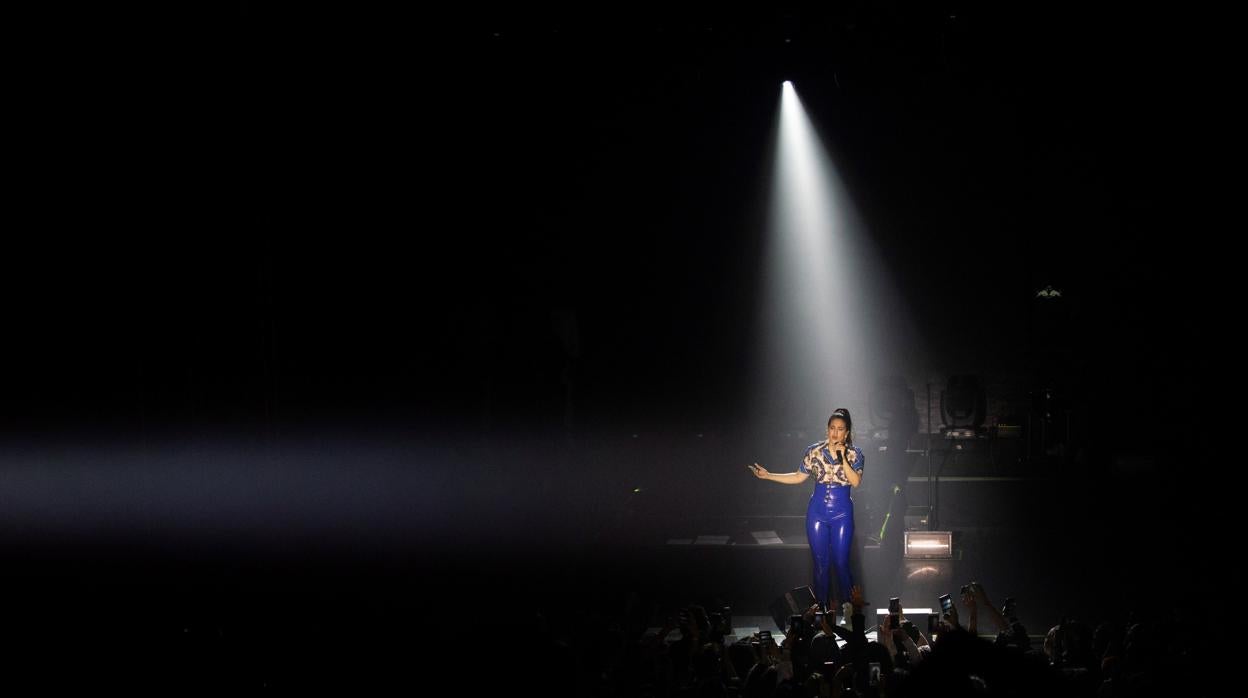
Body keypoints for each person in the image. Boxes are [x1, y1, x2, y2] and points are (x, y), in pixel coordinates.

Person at [748, 408, 865, 611]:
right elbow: (798, 476)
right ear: (827, 430)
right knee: (821, 563)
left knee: (841, 562)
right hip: (817, 512)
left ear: (847, 433)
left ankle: (850, 614)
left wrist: (842, 457)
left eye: (840, 429)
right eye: (832, 428)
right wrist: (769, 476)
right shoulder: (814, 451)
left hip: (842, 512)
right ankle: (821, 613)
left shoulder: (855, 454)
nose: (835, 433)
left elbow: (855, 482)